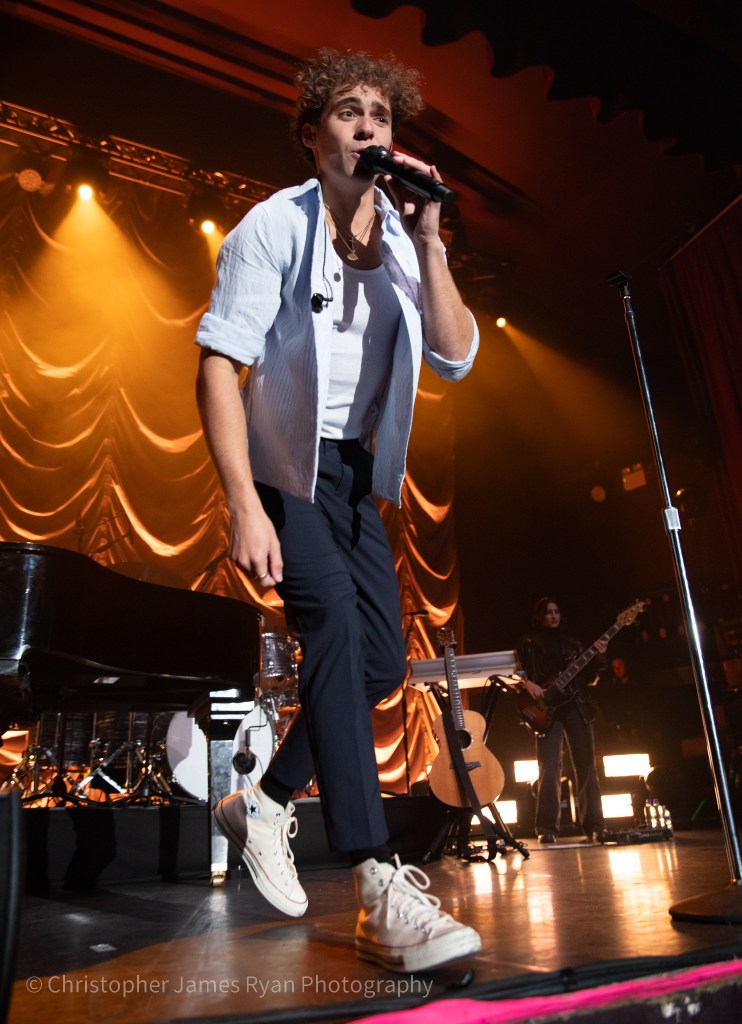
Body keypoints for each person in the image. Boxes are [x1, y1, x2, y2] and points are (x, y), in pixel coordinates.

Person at [194, 48, 481, 973]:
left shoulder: (401, 240)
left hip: (355, 477)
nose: (368, 127)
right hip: (286, 465)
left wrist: (431, 241)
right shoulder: (274, 227)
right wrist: (244, 502)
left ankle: (265, 801)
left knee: (382, 664)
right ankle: (376, 880)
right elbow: (218, 365)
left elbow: (455, 356)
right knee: (330, 631)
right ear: (311, 134)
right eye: (349, 112)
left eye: (381, 116)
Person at [516, 597, 609, 844]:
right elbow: (517, 669)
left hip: (575, 705)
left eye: (556, 611)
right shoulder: (528, 642)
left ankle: (595, 825)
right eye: (548, 612)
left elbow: (590, 678)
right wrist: (527, 683)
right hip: (546, 708)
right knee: (549, 766)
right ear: (539, 616)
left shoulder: (573, 645)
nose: (553, 616)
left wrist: (599, 656)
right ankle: (547, 827)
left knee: (586, 764)